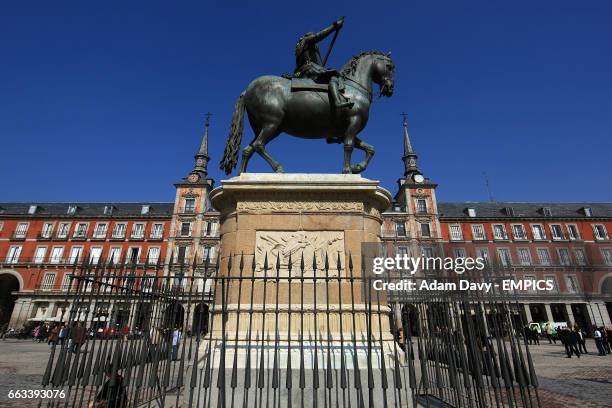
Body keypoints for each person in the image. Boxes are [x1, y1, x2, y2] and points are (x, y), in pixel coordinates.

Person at [292, 17, 353, 109]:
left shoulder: (300, 48)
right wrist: (334, 26)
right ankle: (337, 101)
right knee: (333, 75)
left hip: (303, 71)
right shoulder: (307, 40)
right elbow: (318, 36)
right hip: (310, 69)